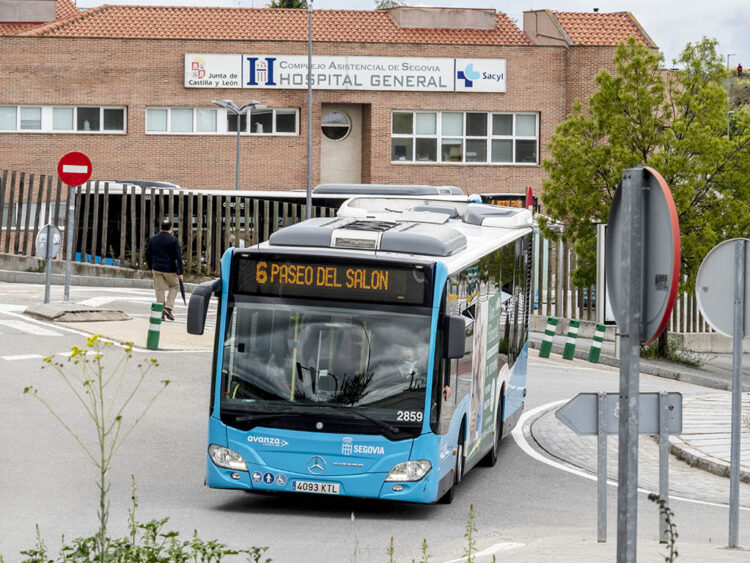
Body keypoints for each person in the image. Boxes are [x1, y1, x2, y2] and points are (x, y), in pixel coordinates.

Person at [145, 219, 183, 321]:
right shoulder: (173, 240)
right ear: (170, 228)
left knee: (159, 290)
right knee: (174, 286)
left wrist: (150, 266)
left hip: (156, 268)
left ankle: (160, 313)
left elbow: (148, 254)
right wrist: (180, 272)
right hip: (170, 269)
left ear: (161, 227)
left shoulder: (153, 239)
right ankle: (168, 307)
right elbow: (178, 257)